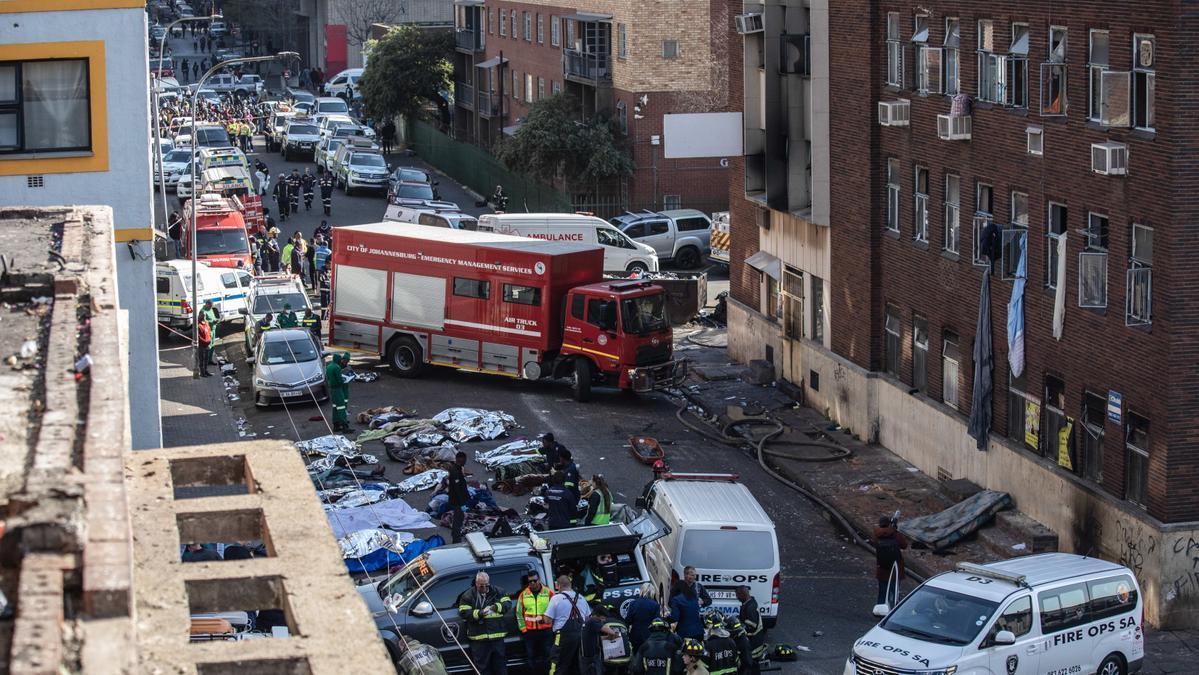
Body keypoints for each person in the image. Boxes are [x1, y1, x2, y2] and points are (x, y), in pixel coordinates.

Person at [457, 571, 513, 675]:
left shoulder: (498, 591)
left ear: (489, 582)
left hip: (497, 638)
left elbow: (508, 603)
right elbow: (464, 612)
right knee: (483, 669)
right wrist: (480, 613)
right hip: (479, 640)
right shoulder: (468, 595)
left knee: (501, 668)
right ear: (476, 583)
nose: (484, 588)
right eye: (481, 586)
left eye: (486, 585)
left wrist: (496, 607)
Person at [546, 574, 590, 675]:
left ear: (558, 585)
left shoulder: (556, 599)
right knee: (577, 665)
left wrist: (542, 618)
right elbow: (588, 618)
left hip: (563, 637)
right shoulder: (581, 598)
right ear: (570, 584)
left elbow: (547, 620)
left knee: (557, 664)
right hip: (580, 636)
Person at [516, 571, 555, 675]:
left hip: (546, 630)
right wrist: (523, 629)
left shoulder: (549, 592)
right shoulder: (523, 594)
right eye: (530, 581)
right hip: (529, 632)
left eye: (534, 580)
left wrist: (553, 626)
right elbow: (519, 613)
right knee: (531, 656)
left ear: (539, 580)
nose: (532, 583)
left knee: (548, 656)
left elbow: (556, 609)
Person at [874, 514, 909, 607]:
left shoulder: (876, 534)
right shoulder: (895, 534)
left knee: (882, 593)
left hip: (882, 569)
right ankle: (893, 611)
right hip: (895, 569)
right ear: (889, 523)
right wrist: (895, 529)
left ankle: (880, 610)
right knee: (894, 592)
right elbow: (904, 545)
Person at [734, 587, 766, 671]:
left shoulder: (750, 607)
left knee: (751, 665)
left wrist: (737, 627)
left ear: (743, 594)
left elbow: (751, 626)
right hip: (755, 640)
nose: (737, 597)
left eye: (737, 595)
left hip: (753, 641)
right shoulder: (749, 603)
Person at [581, 604, 619, 675]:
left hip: (587, 654)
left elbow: (595, 638)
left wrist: (607, 637)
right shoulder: (593, 621)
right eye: (604, 617)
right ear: (598, 615)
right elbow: (612, 632)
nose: (605, 620)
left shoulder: (589, 621)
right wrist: (612, 636)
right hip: (591, 656)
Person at [623, 583, 661, 651]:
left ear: (641, 591)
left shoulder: (633, 603)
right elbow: (657, 622)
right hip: (649, 637)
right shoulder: (655, 605)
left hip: (635, 636)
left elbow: (628, 621)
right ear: (653, 592)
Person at [446, 451, 470, 543]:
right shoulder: (455, 471)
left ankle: (456, 536)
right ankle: (456, 539)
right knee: (458, 519)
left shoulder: (457, 469)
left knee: (459, 518)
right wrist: (462, 503)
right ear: (462, 460)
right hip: (457, 501)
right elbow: (457, 488)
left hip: (458, 500)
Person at [326, 352, 351, 431]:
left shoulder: (329, 366)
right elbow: (340, 380)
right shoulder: (337, 367)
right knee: (341, 407)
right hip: (338, 389)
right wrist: (344, 379)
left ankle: (336, 425)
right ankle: (344, 426)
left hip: (332, 389)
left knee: (335, 407)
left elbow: (327, 378)